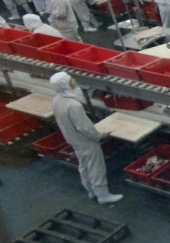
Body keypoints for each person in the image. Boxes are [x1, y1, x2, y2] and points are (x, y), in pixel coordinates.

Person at [49, 72, 123, 204]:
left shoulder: (57, 100)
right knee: (96, 167)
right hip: (86, 141)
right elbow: (84, 128)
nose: (74, 82)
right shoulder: (73, 105)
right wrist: (99, 136)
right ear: (64, 85)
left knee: (84, 165)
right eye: (71, 81)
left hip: (73, 139)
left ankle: (90, 190)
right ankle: (103, 195)